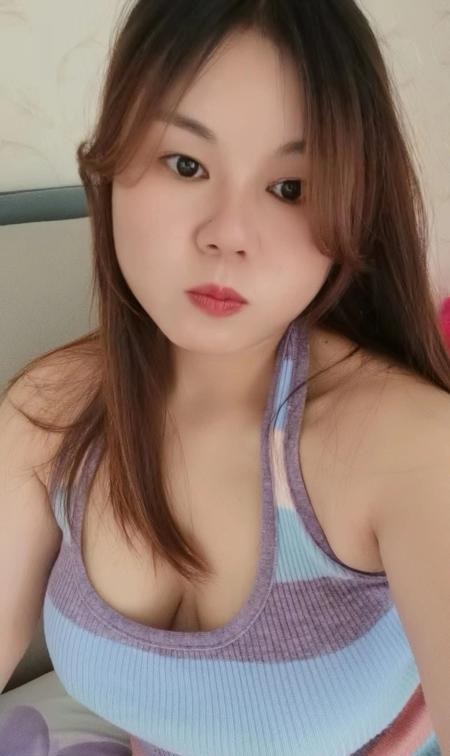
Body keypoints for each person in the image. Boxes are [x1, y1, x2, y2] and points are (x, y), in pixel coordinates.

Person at [1, 1, 449, 754]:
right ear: (108, 164)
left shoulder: (409, 448)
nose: (227, 236)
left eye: (291, 187)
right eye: (186, 164)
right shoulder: (49, 411)